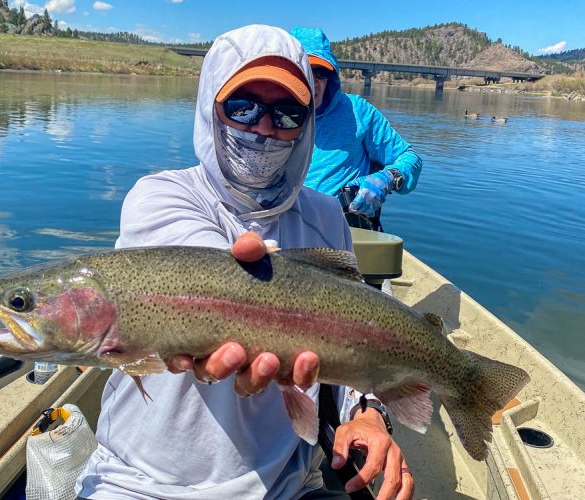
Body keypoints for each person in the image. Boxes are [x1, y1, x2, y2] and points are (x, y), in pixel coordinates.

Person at [75, 25, 413, 500]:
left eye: (287, 114)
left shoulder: (323, 215)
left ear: (306, 124)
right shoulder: (161, 196)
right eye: (242, 107)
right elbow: (213, 284)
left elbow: (348, 329)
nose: (263, 127)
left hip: (287, 484)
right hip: (140, 483)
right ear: (211, 106)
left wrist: (370, 411)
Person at [289, 27, 422, 227]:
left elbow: (409, 158)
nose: (313, 82)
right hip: (286, 227)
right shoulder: (269, 115)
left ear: (331, 77)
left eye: (321, 72)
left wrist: (388, 177)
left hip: (347, 232)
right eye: (304, 71)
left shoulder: (357, 111)